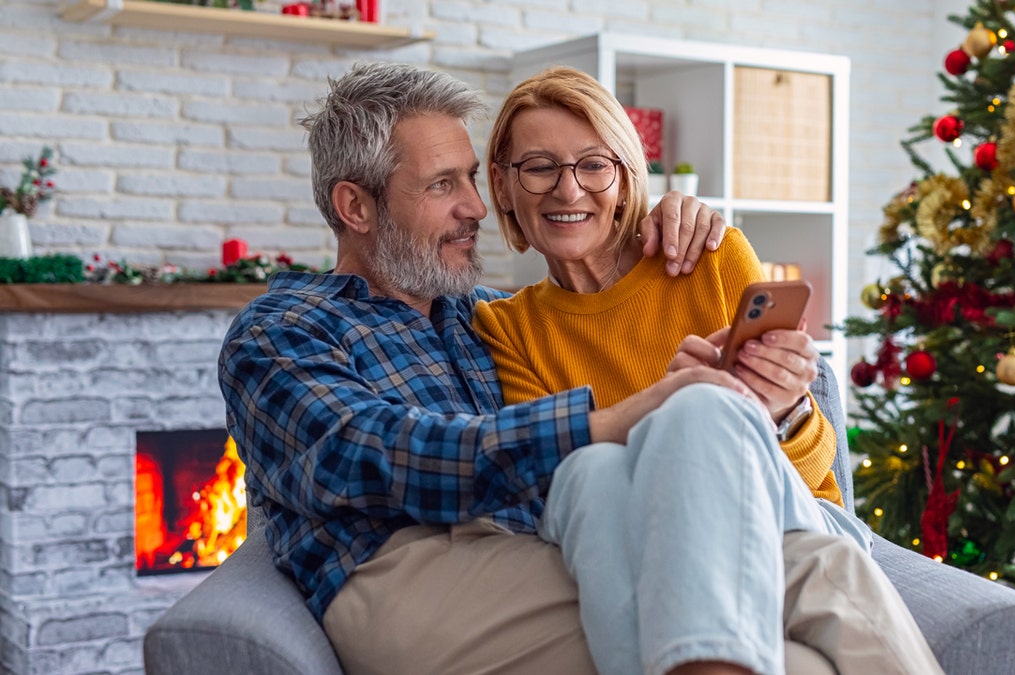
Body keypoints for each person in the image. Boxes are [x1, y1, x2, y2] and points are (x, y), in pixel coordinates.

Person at [217, 61, 748, 675]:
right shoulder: (282, 330)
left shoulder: (494, 317)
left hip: (544, 549)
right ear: (355, 206)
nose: (475, 207)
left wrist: (644, 226)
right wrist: (599, 425)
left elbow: (608, 332)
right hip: (410, 570)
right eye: (442, 185)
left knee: (819, 570)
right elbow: (363, 452)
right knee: (751, 636)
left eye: (471, 178)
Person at [473, 66, 944, 675]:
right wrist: (668, 399)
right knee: (589, 470)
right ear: (503, 187)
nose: (569, 191)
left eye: (593, 164)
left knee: (698, 411)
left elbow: (809, 475)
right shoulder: (508, 326)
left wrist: (781, 410)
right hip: (630, 522)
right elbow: (549, 483)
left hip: (779, 506)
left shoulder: (706, 258)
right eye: (539, 167)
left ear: (624, 178)